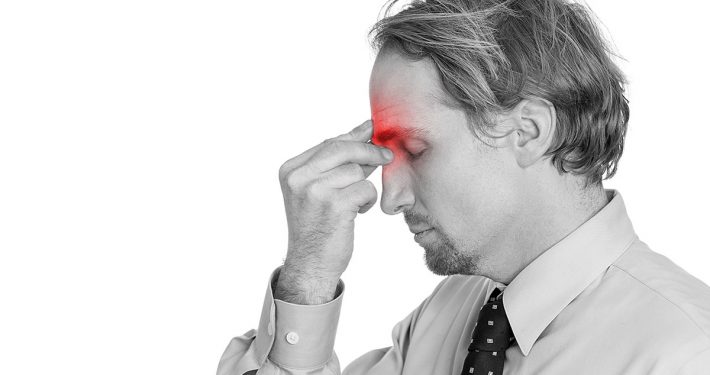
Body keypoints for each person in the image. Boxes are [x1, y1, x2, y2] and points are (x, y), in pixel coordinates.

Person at [217, 0, 710, 374]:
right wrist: (308, 279)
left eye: (415, 148)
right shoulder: (449, 313)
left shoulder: (686, 351)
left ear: (529, 132)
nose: (388, 200)